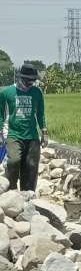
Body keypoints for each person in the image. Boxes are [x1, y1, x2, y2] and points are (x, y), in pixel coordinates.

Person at [1, 64, 48, 192]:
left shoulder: (36, 92)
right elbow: (1, 114)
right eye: (28, 80)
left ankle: (28, 195)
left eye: (32, 81)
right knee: (13, 161)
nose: (30, 83)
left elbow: (40, 113)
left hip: (32, 135)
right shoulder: (7, 93)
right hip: (13, 134)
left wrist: (44, 132)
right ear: (20, 78)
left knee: (32, 167)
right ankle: (11, 191)